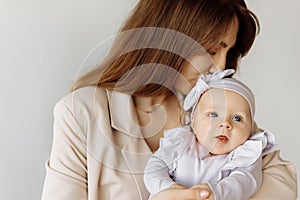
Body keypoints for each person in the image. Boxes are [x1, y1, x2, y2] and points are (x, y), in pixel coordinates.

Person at [41, 0, 297, 200]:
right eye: (211, 50)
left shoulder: (214, 107)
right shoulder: (81, 113)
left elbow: (283, 180)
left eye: (227, 52)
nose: (220, 67)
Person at [144, 69, 278, 200]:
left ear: (250, 129)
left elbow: (243, 183)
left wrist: (215, 193)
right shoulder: (182, 143)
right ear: (194, 123)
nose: (225, 123)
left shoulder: (244, 156)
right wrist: (169, 188)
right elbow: (155, 168)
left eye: (237, 118)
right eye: (213, 114)